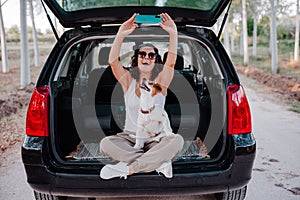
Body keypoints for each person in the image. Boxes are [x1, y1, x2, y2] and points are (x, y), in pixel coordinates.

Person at [99, 13, 184, 180]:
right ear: (136, 59)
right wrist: (121, 33)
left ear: (155, 60)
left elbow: (171, 62)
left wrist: (173, 34)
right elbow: (113, 62)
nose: (146, 57)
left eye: (151, 55)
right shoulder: (128, 81)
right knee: (105, 144)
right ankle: (157, 163)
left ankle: (128, 169)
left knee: (177, 141)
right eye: (142, 54)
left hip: (155, 140)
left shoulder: (160, 83)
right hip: (130, 138)